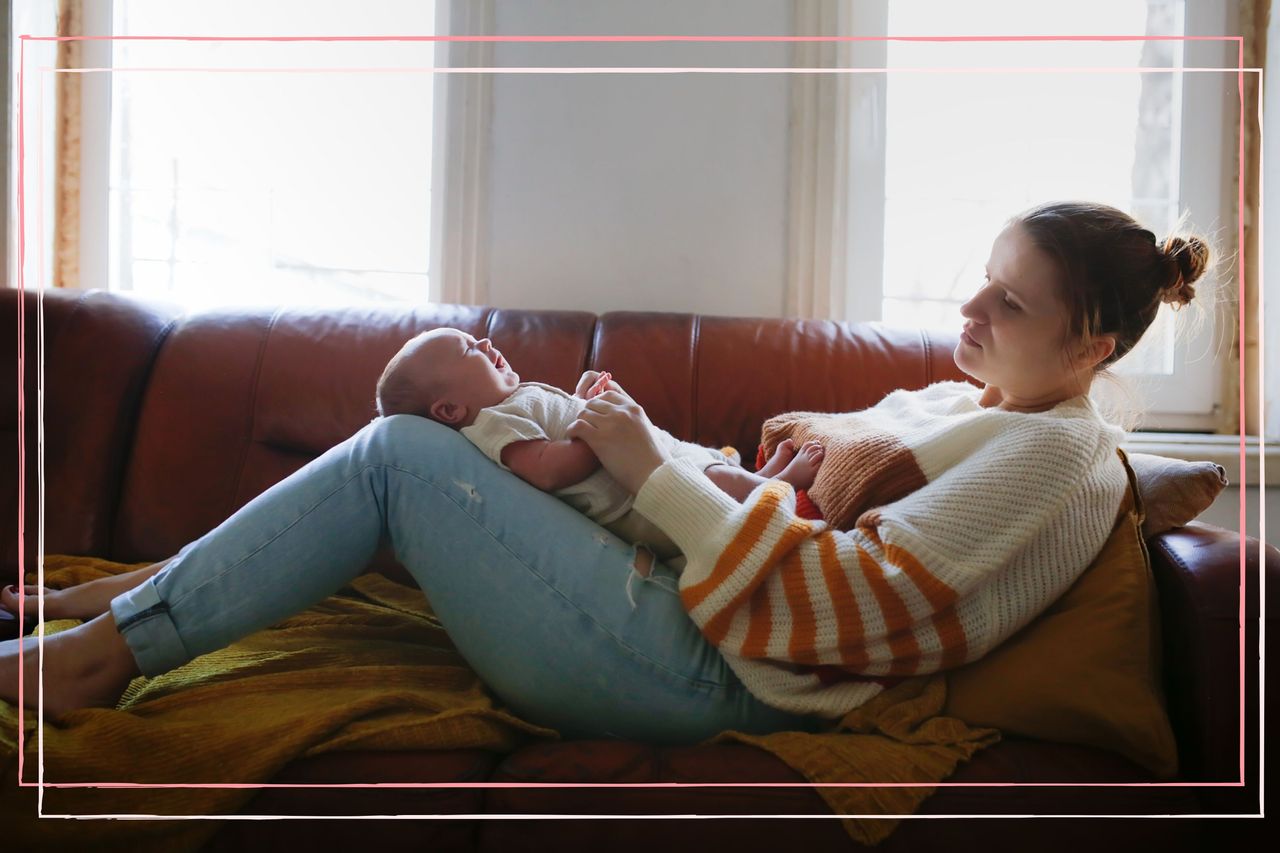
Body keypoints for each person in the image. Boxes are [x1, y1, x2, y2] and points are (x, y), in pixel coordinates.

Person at [0, 201, 1210, 741]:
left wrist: (646, 464)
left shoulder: (1052, 454)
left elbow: (865, 612)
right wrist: (744, 471)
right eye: (980, 274)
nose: (968, 304)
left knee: (403, 458)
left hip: (708, 671)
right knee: (440, 457)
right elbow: (801, 468)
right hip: (682, 612)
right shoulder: (972, 402)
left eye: (1009, 298)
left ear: (1093, 344)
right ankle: (134, 596)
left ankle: (101, 656)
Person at [372, 327, 827, 562]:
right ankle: (779, 487)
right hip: (636, 505)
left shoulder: (514, 402)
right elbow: (548, 469)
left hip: (646, 465)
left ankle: (757, 480)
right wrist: (595, 430)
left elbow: (559, 425)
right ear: (450, 411)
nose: (486, 340)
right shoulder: (491, 427)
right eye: (470, 349)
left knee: (706, 467)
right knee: (712, 483)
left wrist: (582, 396)